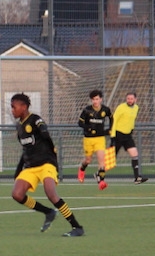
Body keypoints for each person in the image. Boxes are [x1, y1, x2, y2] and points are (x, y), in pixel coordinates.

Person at [10, 93, 84, 237]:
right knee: (17, 194)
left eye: (14, 107)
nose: (12, 110)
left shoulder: (35, 119)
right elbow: (25, 149)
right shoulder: (19, 127)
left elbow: (43, 129)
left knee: (51, 194)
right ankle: (48, 212)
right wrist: (18, 170)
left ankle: (77, 227)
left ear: (24, 107)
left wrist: (51, 151)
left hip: (46, 164)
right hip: (31, 166)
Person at [77, 89, 112, 190]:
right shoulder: (87, 110)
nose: (95, 101)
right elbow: (80, 123)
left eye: (97, 99)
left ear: (101, 99)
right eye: (93, 99)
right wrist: (87, 127)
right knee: (88, 160)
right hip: (88, 139)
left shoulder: (105, 110)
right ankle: (82, 168)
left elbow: (112, 118)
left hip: (100, 138)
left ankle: (101, 181)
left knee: (102, 161)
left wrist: (110, 129)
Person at [111, 91, 147, 184]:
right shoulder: (121, 107)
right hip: (118, 134)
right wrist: (113, 136)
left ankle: (137, 178)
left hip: (127, 135)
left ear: (135, 99)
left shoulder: (136, 108)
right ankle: (99, 173)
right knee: (111, 159)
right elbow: (114, 121)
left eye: (131, 99)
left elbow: (131, 120)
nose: (130, 100)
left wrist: (131, 129)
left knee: (134, 154)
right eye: (128, 99)